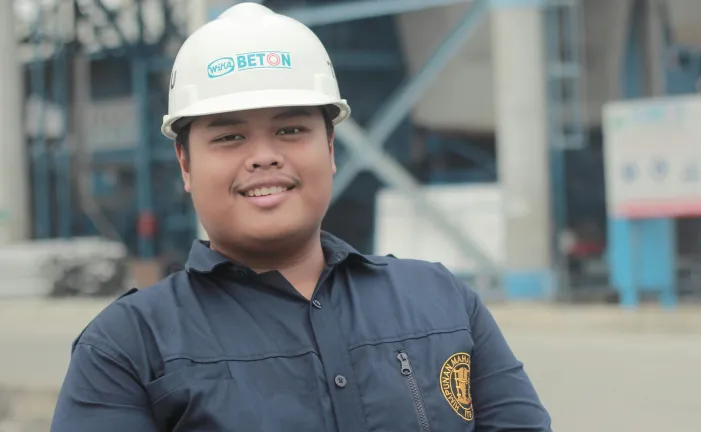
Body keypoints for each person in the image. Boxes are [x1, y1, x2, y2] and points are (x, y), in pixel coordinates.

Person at [50, 3, 552, 431]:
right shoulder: (127, 347)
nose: (264, 156)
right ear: (185, 163)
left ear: (330, 147)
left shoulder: (441, 303)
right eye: (229, 137)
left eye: (291, 130)